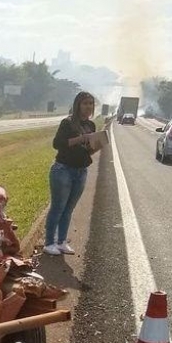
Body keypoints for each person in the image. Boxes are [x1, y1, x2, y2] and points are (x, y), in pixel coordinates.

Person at [43, 91, 100, 256]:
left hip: (81, 171)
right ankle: (48, 243)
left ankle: (61, 242)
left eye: (91, 104)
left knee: (69, 209)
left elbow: (87, 150)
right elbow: (57, 144)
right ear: (77, 105)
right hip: (63, 170)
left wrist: (95, 145)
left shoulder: (91, 125)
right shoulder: (67, 123)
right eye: (85, 103)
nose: (88, 107)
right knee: (58, 207)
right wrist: (81, 138)